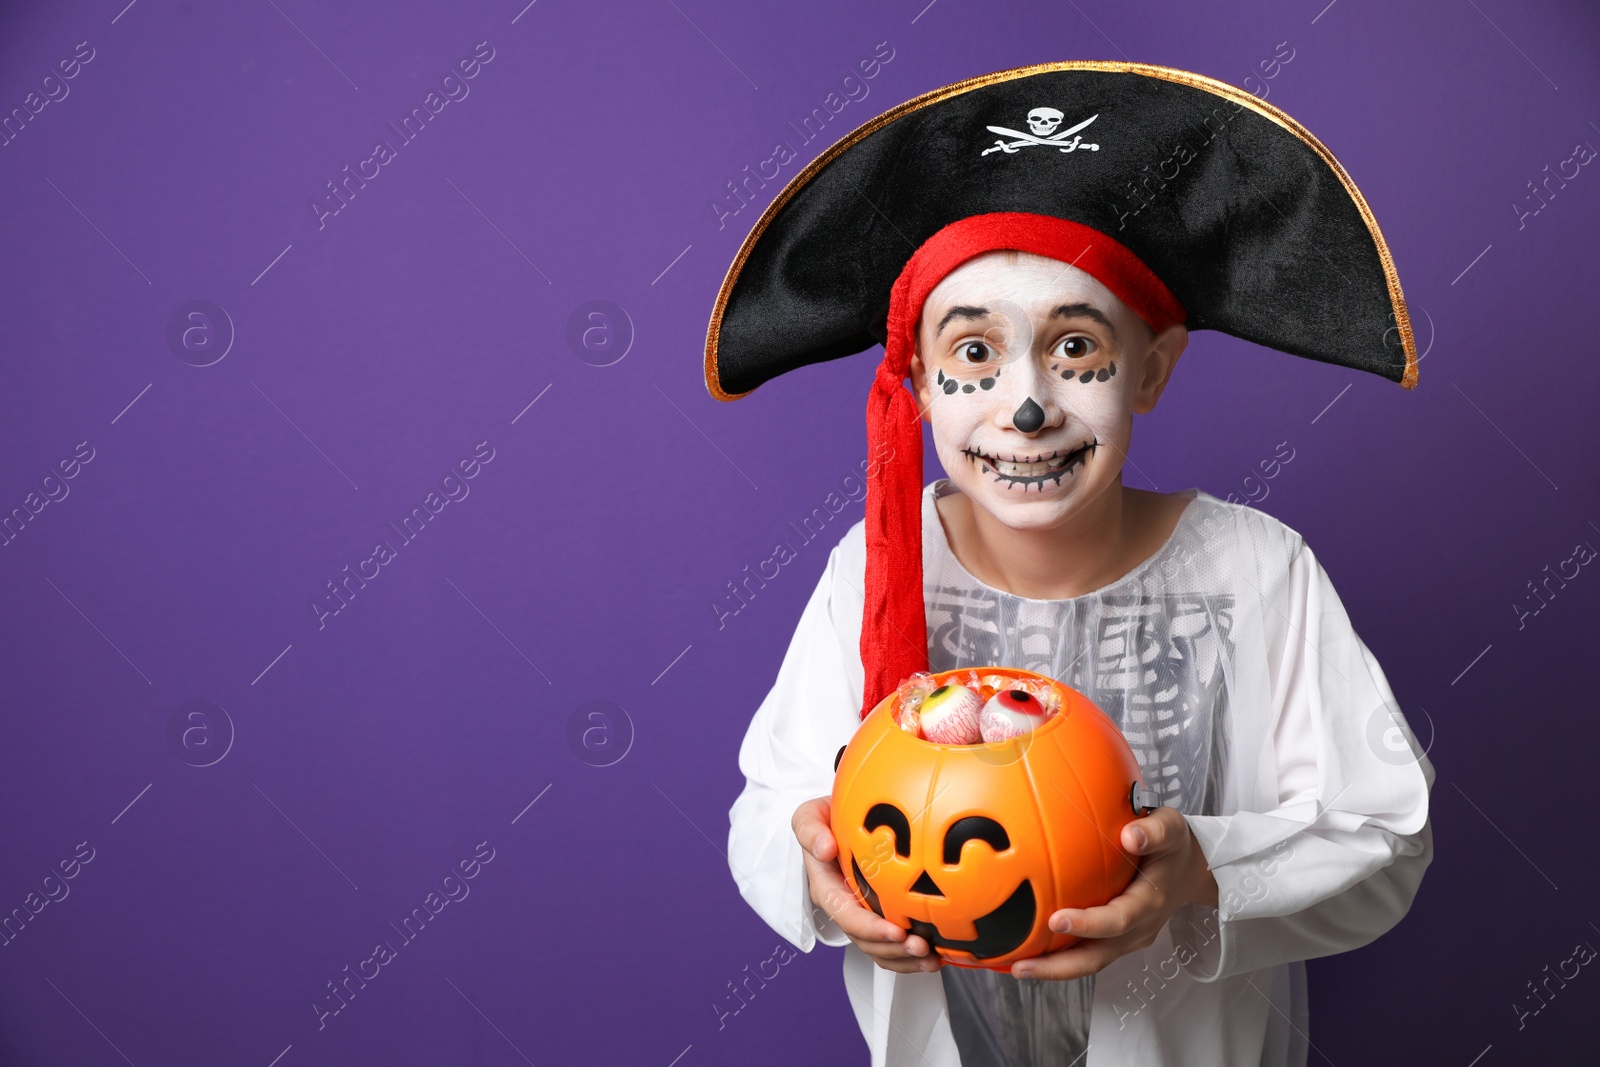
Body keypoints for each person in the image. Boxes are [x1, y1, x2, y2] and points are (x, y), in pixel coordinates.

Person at [709, 62, 1434, 1067]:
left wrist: (1203, 871)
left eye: (1075, 348)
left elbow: (1384, 834)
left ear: (1151, 366)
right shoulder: (873, 568)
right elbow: (766, 805)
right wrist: (816, 867)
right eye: (972, 356)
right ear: (915, 378)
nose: (1027, 405)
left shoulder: (1258, 570)